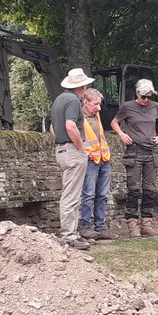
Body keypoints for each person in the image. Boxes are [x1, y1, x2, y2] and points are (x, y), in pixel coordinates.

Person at [111, 78, 158, 237]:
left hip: (150, 152)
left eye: (149, 97)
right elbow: (114, 122)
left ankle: (147, 224)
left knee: (149, 189)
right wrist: (122, 134)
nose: (146, 100)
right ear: (137, 93)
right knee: (134, 189)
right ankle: (132, 225)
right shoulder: (127, 107)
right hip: (134, 152)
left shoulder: (155, 107)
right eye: (143, 97)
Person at [51, 68, 94, 249]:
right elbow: (71, 126)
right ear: (82, 86)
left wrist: (61, 144)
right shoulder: (73, 101)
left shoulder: (58, 100)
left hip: (61, 150)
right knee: (72, 195)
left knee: (71, 193)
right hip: (72, 151)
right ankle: (69, 236)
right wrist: (81, 148)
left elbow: (53, 128)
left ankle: (73, 234)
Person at [78, 88, 119, 240]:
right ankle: (85, 228)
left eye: (99, 104)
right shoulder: (77, 117)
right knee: (89, 194)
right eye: (95, 104)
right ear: (85, 102)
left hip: (103, 159)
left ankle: (100, 228)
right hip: (90, 160)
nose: (99, 108)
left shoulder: (97, 115)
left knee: (102, 195)